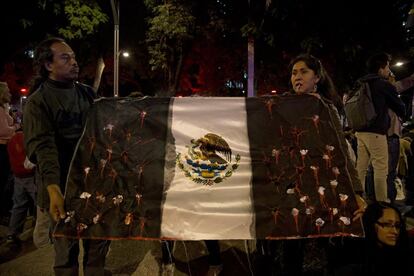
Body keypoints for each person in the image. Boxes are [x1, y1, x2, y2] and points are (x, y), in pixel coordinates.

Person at [23, 37, 110, 275]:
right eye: (65, 57)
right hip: (60, 189)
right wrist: (53, 189)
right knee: (65, 254)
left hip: (92, 186)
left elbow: (103, 134)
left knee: (97, 251)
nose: (74, 62)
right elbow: (43, 148)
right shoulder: (38, 102)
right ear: (48, 65)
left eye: (74, 57)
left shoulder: (87, 94)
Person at [354, 52, 405, 202]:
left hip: (360, 131)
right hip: (376, 132)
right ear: (381, 68)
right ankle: (382, 204)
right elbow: (400, 108)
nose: (389, 70)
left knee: (361, 169)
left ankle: (358, 201)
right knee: (381, 170)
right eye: (387, 66)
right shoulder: (383, 84)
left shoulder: (360, 83)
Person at [332, 201, 410, 275]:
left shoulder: (404, 253)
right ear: (371, 224)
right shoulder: (357, 258)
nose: (395, 231)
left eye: (397, 225)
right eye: (386, 224)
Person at [6, 123, 36, 245]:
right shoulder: (28, 138)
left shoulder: (12, 140)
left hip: (17, 176)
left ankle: (12, 233)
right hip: (30, 176)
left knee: (18, 205)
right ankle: (46, 233)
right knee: (41, 205)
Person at [0, 81, 19, 220]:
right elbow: (3, 131)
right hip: (1, 148)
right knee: (3, 180)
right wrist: (17, 127)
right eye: (7, 91)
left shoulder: (4, 109)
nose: (10, 93)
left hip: (4, 147)